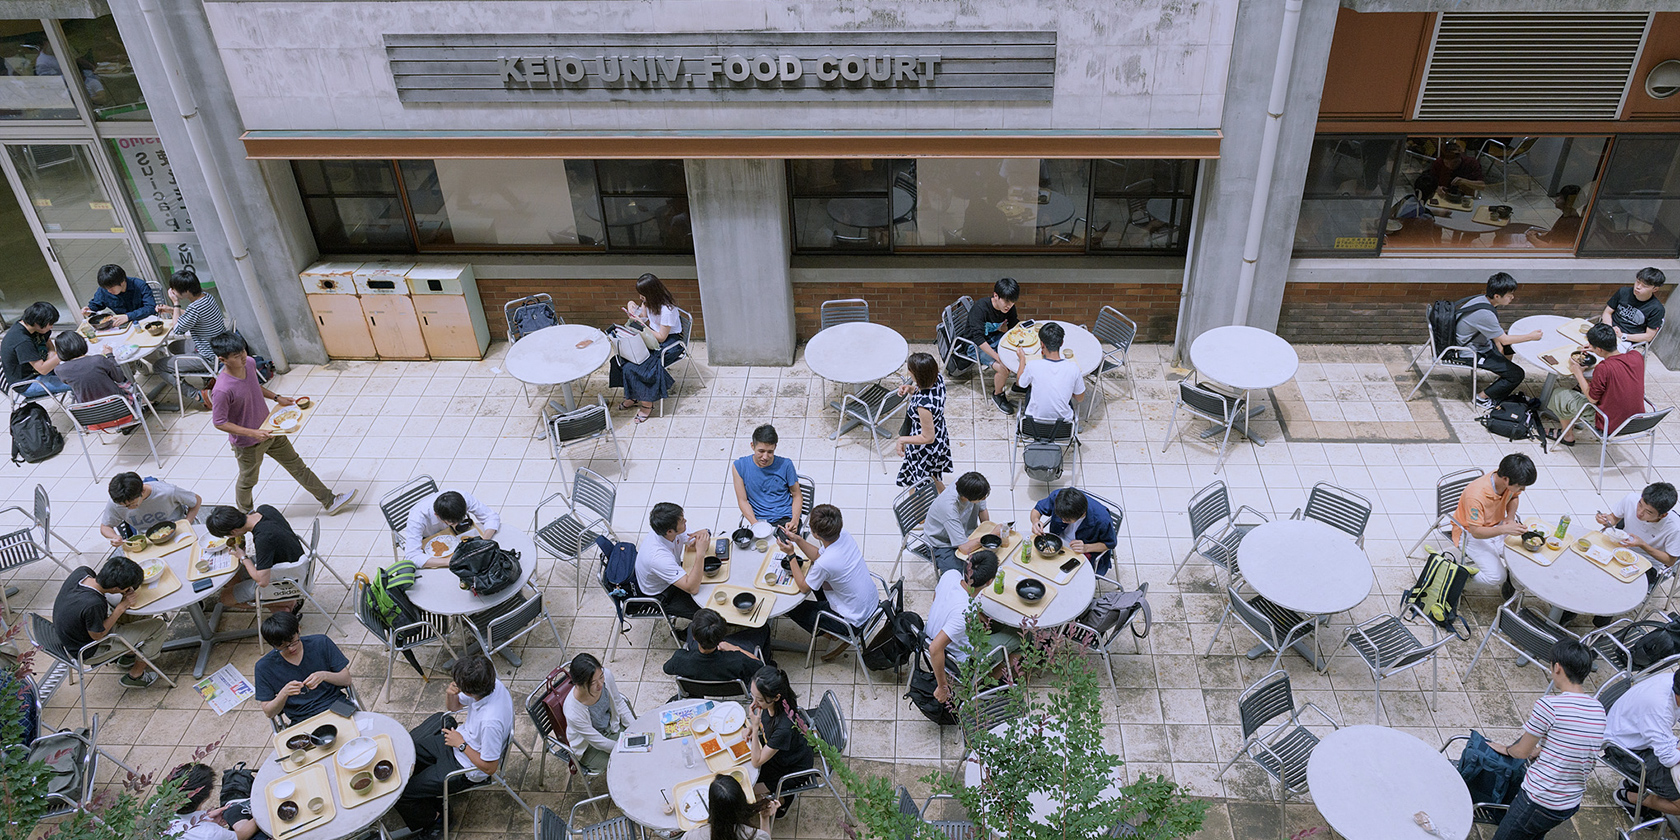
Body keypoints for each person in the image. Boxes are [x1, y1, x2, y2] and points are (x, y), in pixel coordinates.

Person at [209, 333, 354, 515]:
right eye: (237, 356)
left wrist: (277, 397)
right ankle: (246, 515)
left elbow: (254, 386)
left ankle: (329, 501)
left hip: (271, 429)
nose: (243, 357)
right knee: (248, 481)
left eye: (243, 352)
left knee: (298, 466)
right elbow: (220, 422)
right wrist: (253, 433)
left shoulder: (250, 364)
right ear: (223, 360)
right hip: (248, 444)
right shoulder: (222, 390)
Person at [1484, 641, 1605, 840]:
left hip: (1540, 799)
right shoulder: (1597, 708)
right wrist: (1542, 750)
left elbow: (1521, 752)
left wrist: (1505, 748)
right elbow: (1577, 745)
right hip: (1570, 802)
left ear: (1557, 667)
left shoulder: (1550, 706)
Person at [396, 654, 515, 838]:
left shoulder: (491, 721)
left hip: (465, 766)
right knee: (407, 752)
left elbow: (490, 767)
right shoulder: (491, 684)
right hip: (457, 740)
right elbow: (454, 707)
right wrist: (450, 694)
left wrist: (461, 745)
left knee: (403, 794)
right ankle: (427, 792)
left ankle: (435, 818)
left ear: (469, 691)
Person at [51, 556, 167, 688]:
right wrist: (120, 608)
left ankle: (127, 656)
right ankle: (135, 676)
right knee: (158, 627)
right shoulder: (93, 604)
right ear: (116, 588)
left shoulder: (82, 573)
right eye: (127, 588)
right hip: (90, 649)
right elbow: (97, 636)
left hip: (74, 634)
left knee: (142, 611)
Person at [779, 505, 877, 660]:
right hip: (871, 604)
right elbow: (818, 555)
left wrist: (791, 554)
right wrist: (797, 539)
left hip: (853, 620)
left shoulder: (825, 563)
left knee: (792, 608)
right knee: (816, 577)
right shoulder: (844, 535)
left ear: (815, 534)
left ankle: (832, 633)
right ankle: (831, 630)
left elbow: (804, 588)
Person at [927, 550, 1018, 704]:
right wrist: (942, 686)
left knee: (991, 622)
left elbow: (936, 597)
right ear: (989, 582)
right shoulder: (964, 612)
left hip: (930, 634)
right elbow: (935, 649)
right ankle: (984, 685)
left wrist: (974, 613)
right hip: (962, 659)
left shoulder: (950, 574)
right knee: (1021, 636)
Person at [1451, 452, 1538, 595]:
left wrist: (1509, 517)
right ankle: (1455, 581)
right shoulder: (1476, 496)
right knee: (1497, 577)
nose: (1523, 490)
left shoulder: (1504, 481)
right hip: (1469, 534)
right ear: (1505, 479)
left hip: (1496, 526)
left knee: (1523, 556)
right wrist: (1505, 529)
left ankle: (1510, 586)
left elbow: (1514, 498)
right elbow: (1476, 532)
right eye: (1521, 487)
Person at [1545, 323, 1644, 446]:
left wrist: (1578, 373)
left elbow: (1592, 399)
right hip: (1636, 421)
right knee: (1589, 387)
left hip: (1609, 423)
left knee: (1559, 394)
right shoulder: (1636, 356)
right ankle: (1572, 422)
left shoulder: (1604, 368)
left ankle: (1567, 435)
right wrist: (1597, 350)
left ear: (1599, 349)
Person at [1454, 272, 1543, 410]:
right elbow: (1504, 339)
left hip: (1478, 343)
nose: (1512, 297)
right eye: (1509, 295)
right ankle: (1481, 398)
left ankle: (1502, 378)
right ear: (1497, 296)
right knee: (1517, 374)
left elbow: (1498, 337)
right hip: (1469, 352)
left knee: (1508, 347)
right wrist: (1531, 336)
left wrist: (1500, 346)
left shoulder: (1482, 300)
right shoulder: (1485, 313)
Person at [607, 272, 685, 423]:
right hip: (651, 339)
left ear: (651, 293)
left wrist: (642, 326)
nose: (641, 298)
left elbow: (662, 336)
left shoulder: (667, 310)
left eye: (643, 295)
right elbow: (641, 315)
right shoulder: (649, 303)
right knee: (621, 360)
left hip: (669, 344)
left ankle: (647, 405)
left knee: (638, 367)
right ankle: (633, 395)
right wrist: (631, 306)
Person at [1605, 669, 1680, 818]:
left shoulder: (1672, 680)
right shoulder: (1659, 709)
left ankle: (1635, 787)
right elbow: (1668, 758)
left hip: (1636, 734)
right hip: (1625, 750)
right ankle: (1628, 797)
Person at [254, 610, 352, 724]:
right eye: (282, 646)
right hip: (302, 718)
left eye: (292, 641)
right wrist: (283, 694)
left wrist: (324, 675)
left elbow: (347, 679)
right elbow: (269, 712)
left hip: (336, 704)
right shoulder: (264, 667)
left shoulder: (320, 642)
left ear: (298, 629)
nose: (291, 649)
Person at [155, 268, 229, 410]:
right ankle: (208, 378)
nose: (173, 292)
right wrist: (171, 310)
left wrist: (176, 303)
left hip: (207, 356)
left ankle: (198, 394)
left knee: (158, 366)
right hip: (217, 348)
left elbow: (177, 330)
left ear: (186, 291)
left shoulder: (194, 308)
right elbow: (193, 315)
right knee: (175, 347)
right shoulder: (206, 297)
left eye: (175, 290)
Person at [205, 504, 304, 611]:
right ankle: (282, 602)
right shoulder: (264, 509)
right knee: (231, 579)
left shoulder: (263, 538)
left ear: (233, 532)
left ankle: (285, 604)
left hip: (289, 575)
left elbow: (263, 582)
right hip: (291, 558)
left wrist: (243, 557)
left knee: (225, 598)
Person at [745, 666, 813, 819]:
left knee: (746, 792)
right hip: (781, 753)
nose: (754, 703)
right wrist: (751, 727)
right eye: (753, 696)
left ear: (776, 697)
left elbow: (756, 762)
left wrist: (755, 728)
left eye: (760, 700)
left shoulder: (783, 726)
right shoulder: (776, 705)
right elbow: (766, 723)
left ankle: (783, 799)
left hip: (791, 768)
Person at [1598, 482, 1680, 591]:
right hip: (1621, 549)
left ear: (1663, 515)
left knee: (1617, 586)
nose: (1640, 513)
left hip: (1648, 564)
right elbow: (1614, 518)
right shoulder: (1631, 499)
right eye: (1640, 504)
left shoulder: (1674, 528)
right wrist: (1606, 520)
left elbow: (1670, 561)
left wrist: (1643, 545)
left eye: (1648, 512)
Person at [959, 278, 1024, 415]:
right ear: (996, 296)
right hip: (974, 345)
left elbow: (1012, 324)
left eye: (1012, 302)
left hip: (993, 337)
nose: (1009, 306)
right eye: (1006, 302)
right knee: (1003, 367)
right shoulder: (981, 308)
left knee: (1022, 353)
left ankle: (1019, 386)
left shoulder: (1009, 306)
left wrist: (1022, 333)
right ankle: (998, 394)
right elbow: (978, 338)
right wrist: (998, 357)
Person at [636, 502, 710, 620]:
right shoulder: (658, 557)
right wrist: (700, 554)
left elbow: (692, 543)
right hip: (663, 592)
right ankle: (686, 634)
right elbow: (692, 588)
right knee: (707, 614)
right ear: (670, 531)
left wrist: (703, 536)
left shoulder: (668, 531)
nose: (685, 521)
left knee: (710, 583)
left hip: (671, 572)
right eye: (682, 521)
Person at [561, 652, 634, 773]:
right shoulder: (573, 711)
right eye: (593, 683)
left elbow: (619, 703)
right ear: (579, 684)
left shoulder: (607, 676)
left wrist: (636, 727)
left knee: (641, 747)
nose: (600, 684)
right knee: (625, 762)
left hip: (612, 726)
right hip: (590, 747)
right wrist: (624, 748)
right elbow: (598, 742)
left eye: (601, 677)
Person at [894, 352, 953, 492]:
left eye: (910, 370)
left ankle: (915, 511)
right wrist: (910, 389)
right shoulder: (938, 379)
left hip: (925, 449)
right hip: (940, 436)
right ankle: (947, 501)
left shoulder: (924, 407)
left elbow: (927, 437)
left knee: (915, 483)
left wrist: (902, 440)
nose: (908, 372)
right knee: (933, 476)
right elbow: (926, 392)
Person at [925, 472, 1001, 575]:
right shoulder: (949, 508)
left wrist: (988, 532)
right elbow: (964, 548)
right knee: (965, 575)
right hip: (941, 544)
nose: (983, 499)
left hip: (964, 533)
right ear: (967, 498)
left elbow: (982, 510)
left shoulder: (970, 484)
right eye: (981, 498)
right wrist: (990, 535)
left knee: (992, 560)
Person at [401, 489, 501, 568]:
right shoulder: (417, 518)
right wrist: (450, 561)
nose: (456, 524)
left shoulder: (463, 498)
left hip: (455, 538)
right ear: (437, 515)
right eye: (452, 522)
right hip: (429, 541)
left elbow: (491, 517)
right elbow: (412, 556)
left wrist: (482, 543)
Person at [665, 608, 764, 686]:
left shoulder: (680, 659)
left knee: (691, 625)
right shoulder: (738, 660)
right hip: (731, 682)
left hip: (701, 688)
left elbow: (667, 669)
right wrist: (734, 648)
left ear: (694, 637)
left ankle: (684, 634)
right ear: (722, 636)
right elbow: (759, 665)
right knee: (763, 629)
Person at [99, 472, 201, 546]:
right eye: (125, 506)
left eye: (132, 504)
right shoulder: (117, 502)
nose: (129, 509)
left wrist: (187, 522)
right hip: (148, 541)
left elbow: (196, 501)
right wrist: (114, 537)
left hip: (178, 532)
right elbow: (105, 526)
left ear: (142, 491)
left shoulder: (167, 491)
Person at [1031, 488, 1118, 576]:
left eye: (1067, 520)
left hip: (1083, 550)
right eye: (1060, 517)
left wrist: (1086, 548)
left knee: (1064, 576)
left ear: (1082, 513)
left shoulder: (1102, 519)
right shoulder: (1059, 497)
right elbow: (1037, 509)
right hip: (1058, 542)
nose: (1063, 521)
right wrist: (1035, 521)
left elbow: (1110, 544)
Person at [164, 762, 261, 840]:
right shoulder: (210, 834)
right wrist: (262, 815)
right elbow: (241, 836)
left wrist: (205, 816)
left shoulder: (157, 806)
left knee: (232, 811)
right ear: (207, 795)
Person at [1013, 321, 1085, 425]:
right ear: (1061, 343)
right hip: (1063, 428)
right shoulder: (1073, 369)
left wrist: (1022, 359)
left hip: (1033, 426)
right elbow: (1080, 398)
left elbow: (1020, 383)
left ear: (1042, 344)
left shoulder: (1033, 366)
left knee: (1030, 388)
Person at [732, 424, 802, 530]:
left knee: (784, 546)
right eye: (761, 451)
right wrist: (755, 525)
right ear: (752, 446)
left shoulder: (786, 465)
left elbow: (797, 495)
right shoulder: (739, 467)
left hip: (785, 518)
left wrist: (795, 521)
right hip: (759, 520)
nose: (765, 457)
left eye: (770, 452)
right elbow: (743, 500)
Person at [2, 301, 68, 398]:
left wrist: (51, 355)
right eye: (50, 324)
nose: (51, 327)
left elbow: (48, 342)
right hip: (28, 383)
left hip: (39, 371)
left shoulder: (33, 326)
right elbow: (43, 370)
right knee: (76, 382)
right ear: (37, 323)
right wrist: (64, 353)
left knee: (78, 371)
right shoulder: (22, 341)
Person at [51, 330, 136, 405]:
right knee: (125, 383)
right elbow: (119, 377)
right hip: (120, 407)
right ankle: (142, 402)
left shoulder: (59, 370)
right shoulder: (98, 360)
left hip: (92, 416)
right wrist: (110, 355)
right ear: (82, 343)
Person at [680, 772, 771, 840]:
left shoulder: (691, 836)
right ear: (742, 801)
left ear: (712, 806)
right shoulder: (756, 836)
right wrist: (765, 818)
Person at [1603, 266, 1667, 346]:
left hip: (1628, 340)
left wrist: (1622, 336)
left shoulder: (1657, 309)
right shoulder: (1623, 292)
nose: (1638, 287)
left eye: (1644, 286)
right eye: (1637, 282)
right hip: (1608, 329)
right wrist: (1610, 329)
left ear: (1655, 289)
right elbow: (1607, 312)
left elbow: (1649, 336)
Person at [81, 264, 157, 327]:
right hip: (122, 325)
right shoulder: (103, 290)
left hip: (144, 321)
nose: (108, 291)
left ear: (122, 282)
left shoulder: (139, 285)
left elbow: (150, 307)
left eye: (111, 288)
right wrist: (89, 310)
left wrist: (128, 316)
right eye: (106, 288)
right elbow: (96, 305)